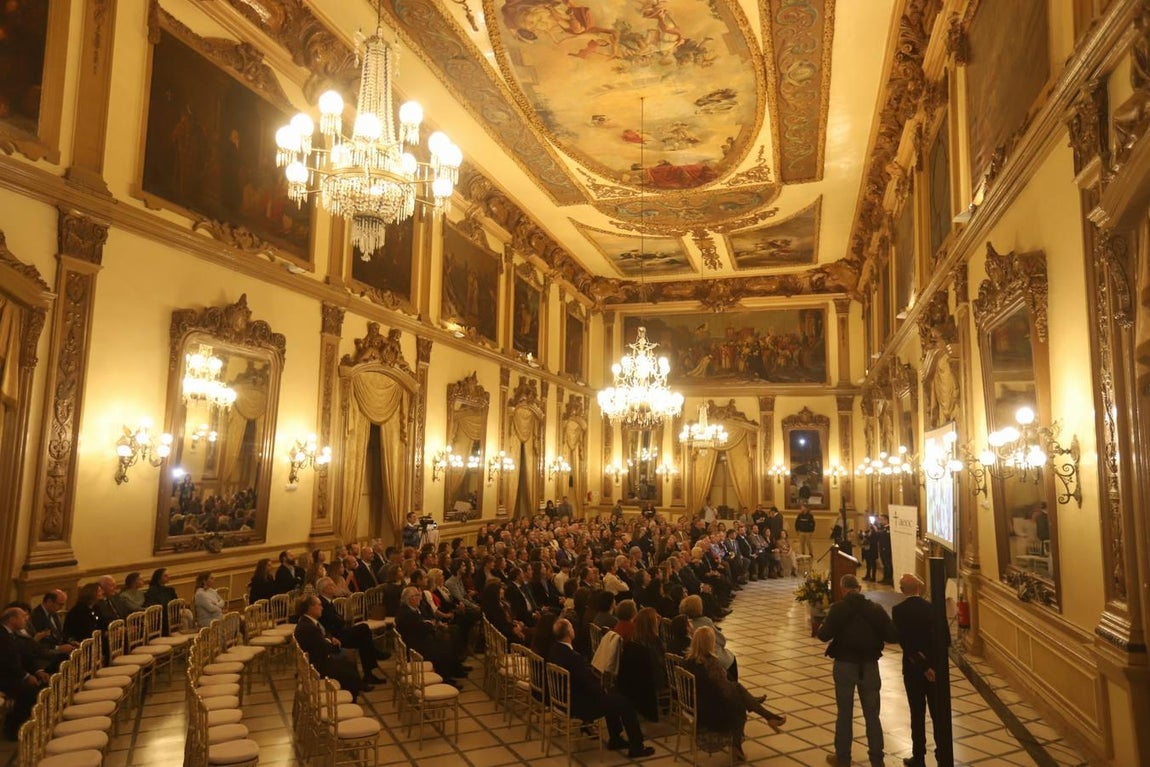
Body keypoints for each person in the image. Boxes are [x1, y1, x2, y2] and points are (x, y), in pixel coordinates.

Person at [817, 574, 899, 767]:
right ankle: (877, 760)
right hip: (870, 665)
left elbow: (823, 635)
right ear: (859, 588)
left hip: (845, 665)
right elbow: (892, 635)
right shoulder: (875, 609)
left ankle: (843, 759)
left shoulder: (838, 608)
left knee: (844, 713)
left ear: (843, 589)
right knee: (872, 715)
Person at [547, 618, 655, 759]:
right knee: (625, 703)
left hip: (563, 700)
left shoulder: (553, 650)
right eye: (572, 628)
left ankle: (615, 738)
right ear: (568, 633)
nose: (574, 630)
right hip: (579, 705)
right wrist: (602, 690)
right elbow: (588, 683)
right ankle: (636, 747)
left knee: (612, 698)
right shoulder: (573, 658)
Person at [682, 626, 785, 761]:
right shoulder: (711, 664)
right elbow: (723, 691)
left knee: (737, 691)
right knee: (739, 705)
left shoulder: (688, 661)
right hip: (712, 713)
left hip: (697, 706)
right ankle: (765, 719)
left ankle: (767, 716)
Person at [892, 574, 950, 767]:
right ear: (919, 588)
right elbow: (945, 641)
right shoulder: (933, 609)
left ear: (902, 590)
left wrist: (922, 666)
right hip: (935, 672)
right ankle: (943, 755)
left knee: (917, 714)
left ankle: (919, 757)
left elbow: (905, 643)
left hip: (912, 670)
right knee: (937, 714)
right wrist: (932, 667)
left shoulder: (898, 611)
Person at [293, 596, 365, 700]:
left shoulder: (307, 621)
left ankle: (355, 689)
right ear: (310, 608)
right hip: (316, 667)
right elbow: (323, 648)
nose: (322, 608)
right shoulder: (308, 627)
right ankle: (352, 696)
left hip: (316, 659)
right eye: (319, 605)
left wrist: (331, 639)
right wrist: (334, 646)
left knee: (349, 656)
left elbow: (323, 635)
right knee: (347, 662)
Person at [315, 577, 385, 685]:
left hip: (339, 632)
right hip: (334, 637)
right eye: (332, 585)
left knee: (364, 639)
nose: (334, 587)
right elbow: (330, 623)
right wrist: (341, 622)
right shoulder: (322, 603)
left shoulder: (327, 601)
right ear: (325, 589)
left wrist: (341, 622)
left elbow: (337, 620)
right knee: (363, 629)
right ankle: (371, 664)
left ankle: (368, 674)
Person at [0, 606, 50, 740]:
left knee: (44, 683)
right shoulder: (2, 635)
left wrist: (38, 671)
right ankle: (12, 730)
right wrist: (26, 676)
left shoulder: (13, 634)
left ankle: (33, 722)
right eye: (22, 616)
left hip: (13, 673)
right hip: (4, 677)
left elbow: (24, 657)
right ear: (11, 619)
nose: (26, 620)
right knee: (29, 692)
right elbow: (6, 663)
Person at [615, 607, 666, 721]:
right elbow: (660, 664)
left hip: (636, 681)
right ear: (652, 624)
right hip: (653, 680)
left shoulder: (634, 640)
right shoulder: (654, 642)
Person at [680, 594, 736, 680]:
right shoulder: (706, 621)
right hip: (710, 655)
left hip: (696, 654)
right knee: (731, 659)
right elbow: (722, 641)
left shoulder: (683, 623)